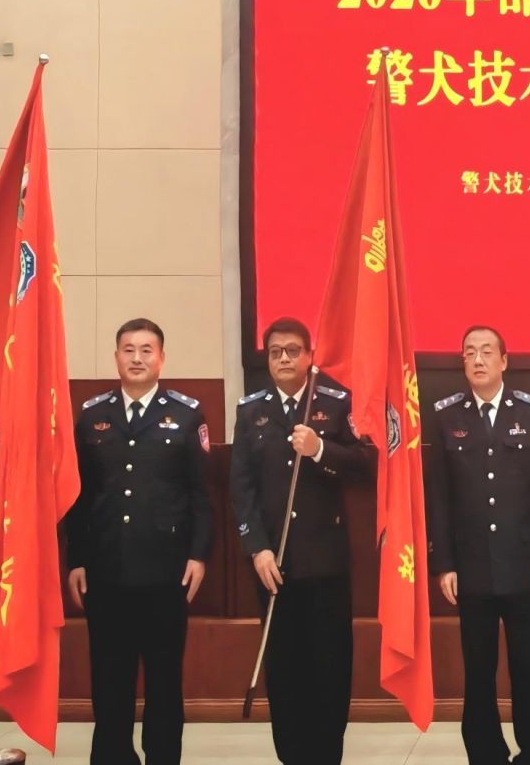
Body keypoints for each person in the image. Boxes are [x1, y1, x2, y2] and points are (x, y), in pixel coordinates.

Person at [67, 317, 213, 765]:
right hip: (106, 571)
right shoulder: (92, 415)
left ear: (161, 358)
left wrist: (199, 555)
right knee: (110, 679)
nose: (137, 358)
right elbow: (79, 495)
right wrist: (76, 560)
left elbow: (202, 494)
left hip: (166, 572)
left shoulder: (187, 414)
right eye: (128, 350)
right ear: (116, 357)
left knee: (164, 681)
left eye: (146, 350)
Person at [231, 316, 368, 765]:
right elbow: (242, 488)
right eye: (275, 352)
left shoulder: (335, 403)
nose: (284, 359)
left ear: (310, 356)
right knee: (285, 671)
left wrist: (320, 451)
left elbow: (364, 465)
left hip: (325, 563)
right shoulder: (251, 410)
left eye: (293, 350)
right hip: (273, 566)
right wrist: (257, 548)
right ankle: (291, 756)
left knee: (330, 669)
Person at [426, 325, 530, 765]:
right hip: (472, 567)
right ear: (462, 362)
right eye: (470, 352)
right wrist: (445, 563)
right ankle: (485, 754)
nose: (478, 359)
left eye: (487, 351)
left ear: (504, 360)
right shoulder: (446, 415)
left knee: (529, 669)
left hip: (524, 566)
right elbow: (439, 497)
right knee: (478, 671)